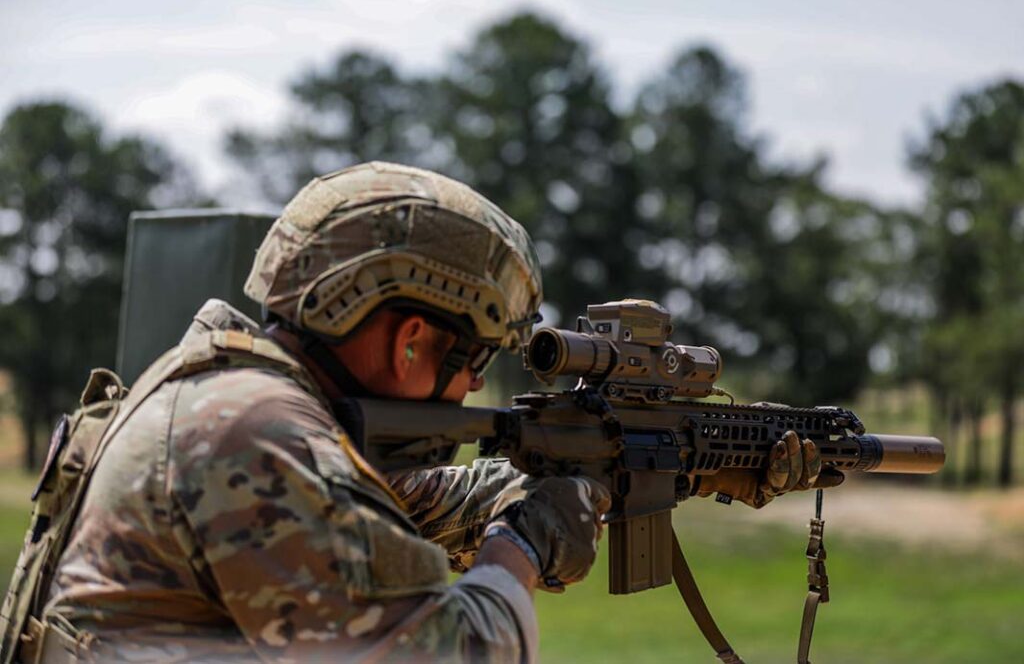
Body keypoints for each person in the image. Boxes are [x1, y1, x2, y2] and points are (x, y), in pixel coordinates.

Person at [12, 162, 823, 662]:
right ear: (408, 341)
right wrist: (522, 549)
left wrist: (599, 473)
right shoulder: (251, 437)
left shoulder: (233, 398)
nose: (471, 389)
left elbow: (429, 497)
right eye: (467, 359)